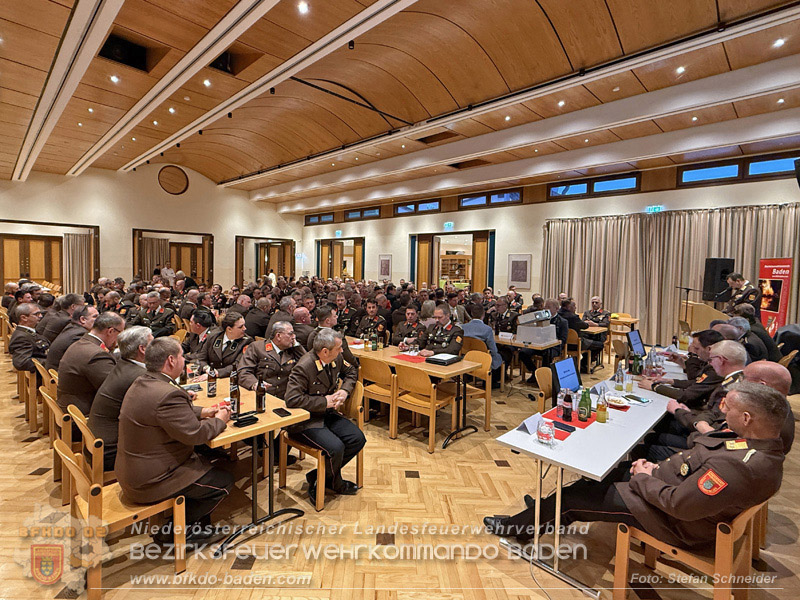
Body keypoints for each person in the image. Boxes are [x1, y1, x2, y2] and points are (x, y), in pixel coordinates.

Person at [484, 382, 787, 549]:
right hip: (665, 490)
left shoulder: (739, 466)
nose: (722, 411)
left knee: (573, 498)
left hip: (670, 521)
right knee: (603, 475)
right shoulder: (756, 446)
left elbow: (680, 506)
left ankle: (522, 527)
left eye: (726, 408)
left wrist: (645, 476)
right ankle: (542, 514)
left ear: (747, 418)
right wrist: (653, 471)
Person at [115, 338, 232, 544]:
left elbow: (168, 412)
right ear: (171, 360)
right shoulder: (167, 394)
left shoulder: (144, 381)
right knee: (224, 481)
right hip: (151, 480)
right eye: (182, 356)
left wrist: (203, 411)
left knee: (213, 458)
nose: (184, 361)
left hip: (133, 468)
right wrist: (220, 420)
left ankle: (191, 522)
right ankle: (175, 532)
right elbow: (196, 435)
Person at [284, 328, 364, 506]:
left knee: (357, 438)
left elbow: (351, 372)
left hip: (327, 414)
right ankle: (333, 483)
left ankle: (319, 477)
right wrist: (323, 401)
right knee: (335, 447)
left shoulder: (337, 358)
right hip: (305, 420)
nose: (342, 351)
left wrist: (345, 391)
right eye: (338, 348)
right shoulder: (304, 366)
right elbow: (292, 399)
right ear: (325, 351)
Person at [644, 341, 747, 461]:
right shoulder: (739, 380)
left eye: (711, 360)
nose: (709, 364)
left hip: (704, 443)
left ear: (721, 360)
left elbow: (713, 418)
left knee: (651, 440)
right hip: (704, 432)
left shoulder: (730, 388)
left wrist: (683, 413)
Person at [89, 327, 152, 471]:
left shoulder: (123, 363)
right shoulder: (139, 376)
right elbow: (158, 409)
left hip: (100, 443)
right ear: (142, 349)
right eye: (152, 343)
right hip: (112, 452)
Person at [56, 312, 123, 416]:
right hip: (81, 414)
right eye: (121, 333)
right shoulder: (96, 354)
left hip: (70, 404)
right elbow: (114, 390)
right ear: (111, 331)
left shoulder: (83, 342)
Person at [639, 329, 725, 409]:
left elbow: (686, 395)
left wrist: (654, 387)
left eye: (697, 349)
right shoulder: (712, 364)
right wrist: (668, 381)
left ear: (709, 349)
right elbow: (697, 382)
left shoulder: (716, 369)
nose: (695, 351)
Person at [238, 320, 307, 394]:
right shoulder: (257, 348)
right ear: (278, 336)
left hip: (285, 396)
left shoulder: (293, 350)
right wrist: (255, 384)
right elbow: (244, 371)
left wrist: (297, 345)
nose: (294, 337)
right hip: (263, 394)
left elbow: (306, 365)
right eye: (290, 334)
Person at [196, 311, 251, 378]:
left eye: (244, 325)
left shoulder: (247, 342)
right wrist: (207, 369)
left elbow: (237, 365)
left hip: (230, 379)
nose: (245, 328)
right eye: (240, 327)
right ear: (229, 329)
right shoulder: (213, 337)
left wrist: (213, 374)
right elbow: (201, 358)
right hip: (208, 376)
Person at [45, 305, 99, 371]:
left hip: (54, 370)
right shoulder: (80, 334)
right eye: (95, 317)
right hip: (58, 373)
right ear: (83, 319)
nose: (100, 320)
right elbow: (87, 359)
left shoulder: (72, 327)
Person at [461, 303, 502, 387]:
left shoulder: (463, 327)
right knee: (499, 356)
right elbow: (493, 349)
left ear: (471, 314)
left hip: (466, 355)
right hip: (483, 357)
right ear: (483, 315)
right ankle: (491, 382)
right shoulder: (487, 329)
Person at [8, 303, 49, 373]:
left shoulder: (29, 331)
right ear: (24, 318)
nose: (41, 316)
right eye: (36, 314)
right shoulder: (21, 337)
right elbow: (22, 363)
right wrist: (50, 363)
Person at [580, 296, 610, 366]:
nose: (594, 304)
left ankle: (589, 360)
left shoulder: (606, 313)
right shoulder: (587, 312)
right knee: (585, 341)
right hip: (588, 334)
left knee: (598, 343)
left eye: (596, 302)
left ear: (600, 304)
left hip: (600, 335)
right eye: (593, 302)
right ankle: (586, 361)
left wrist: (595, 324)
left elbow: (606, 324)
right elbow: (582, 322)